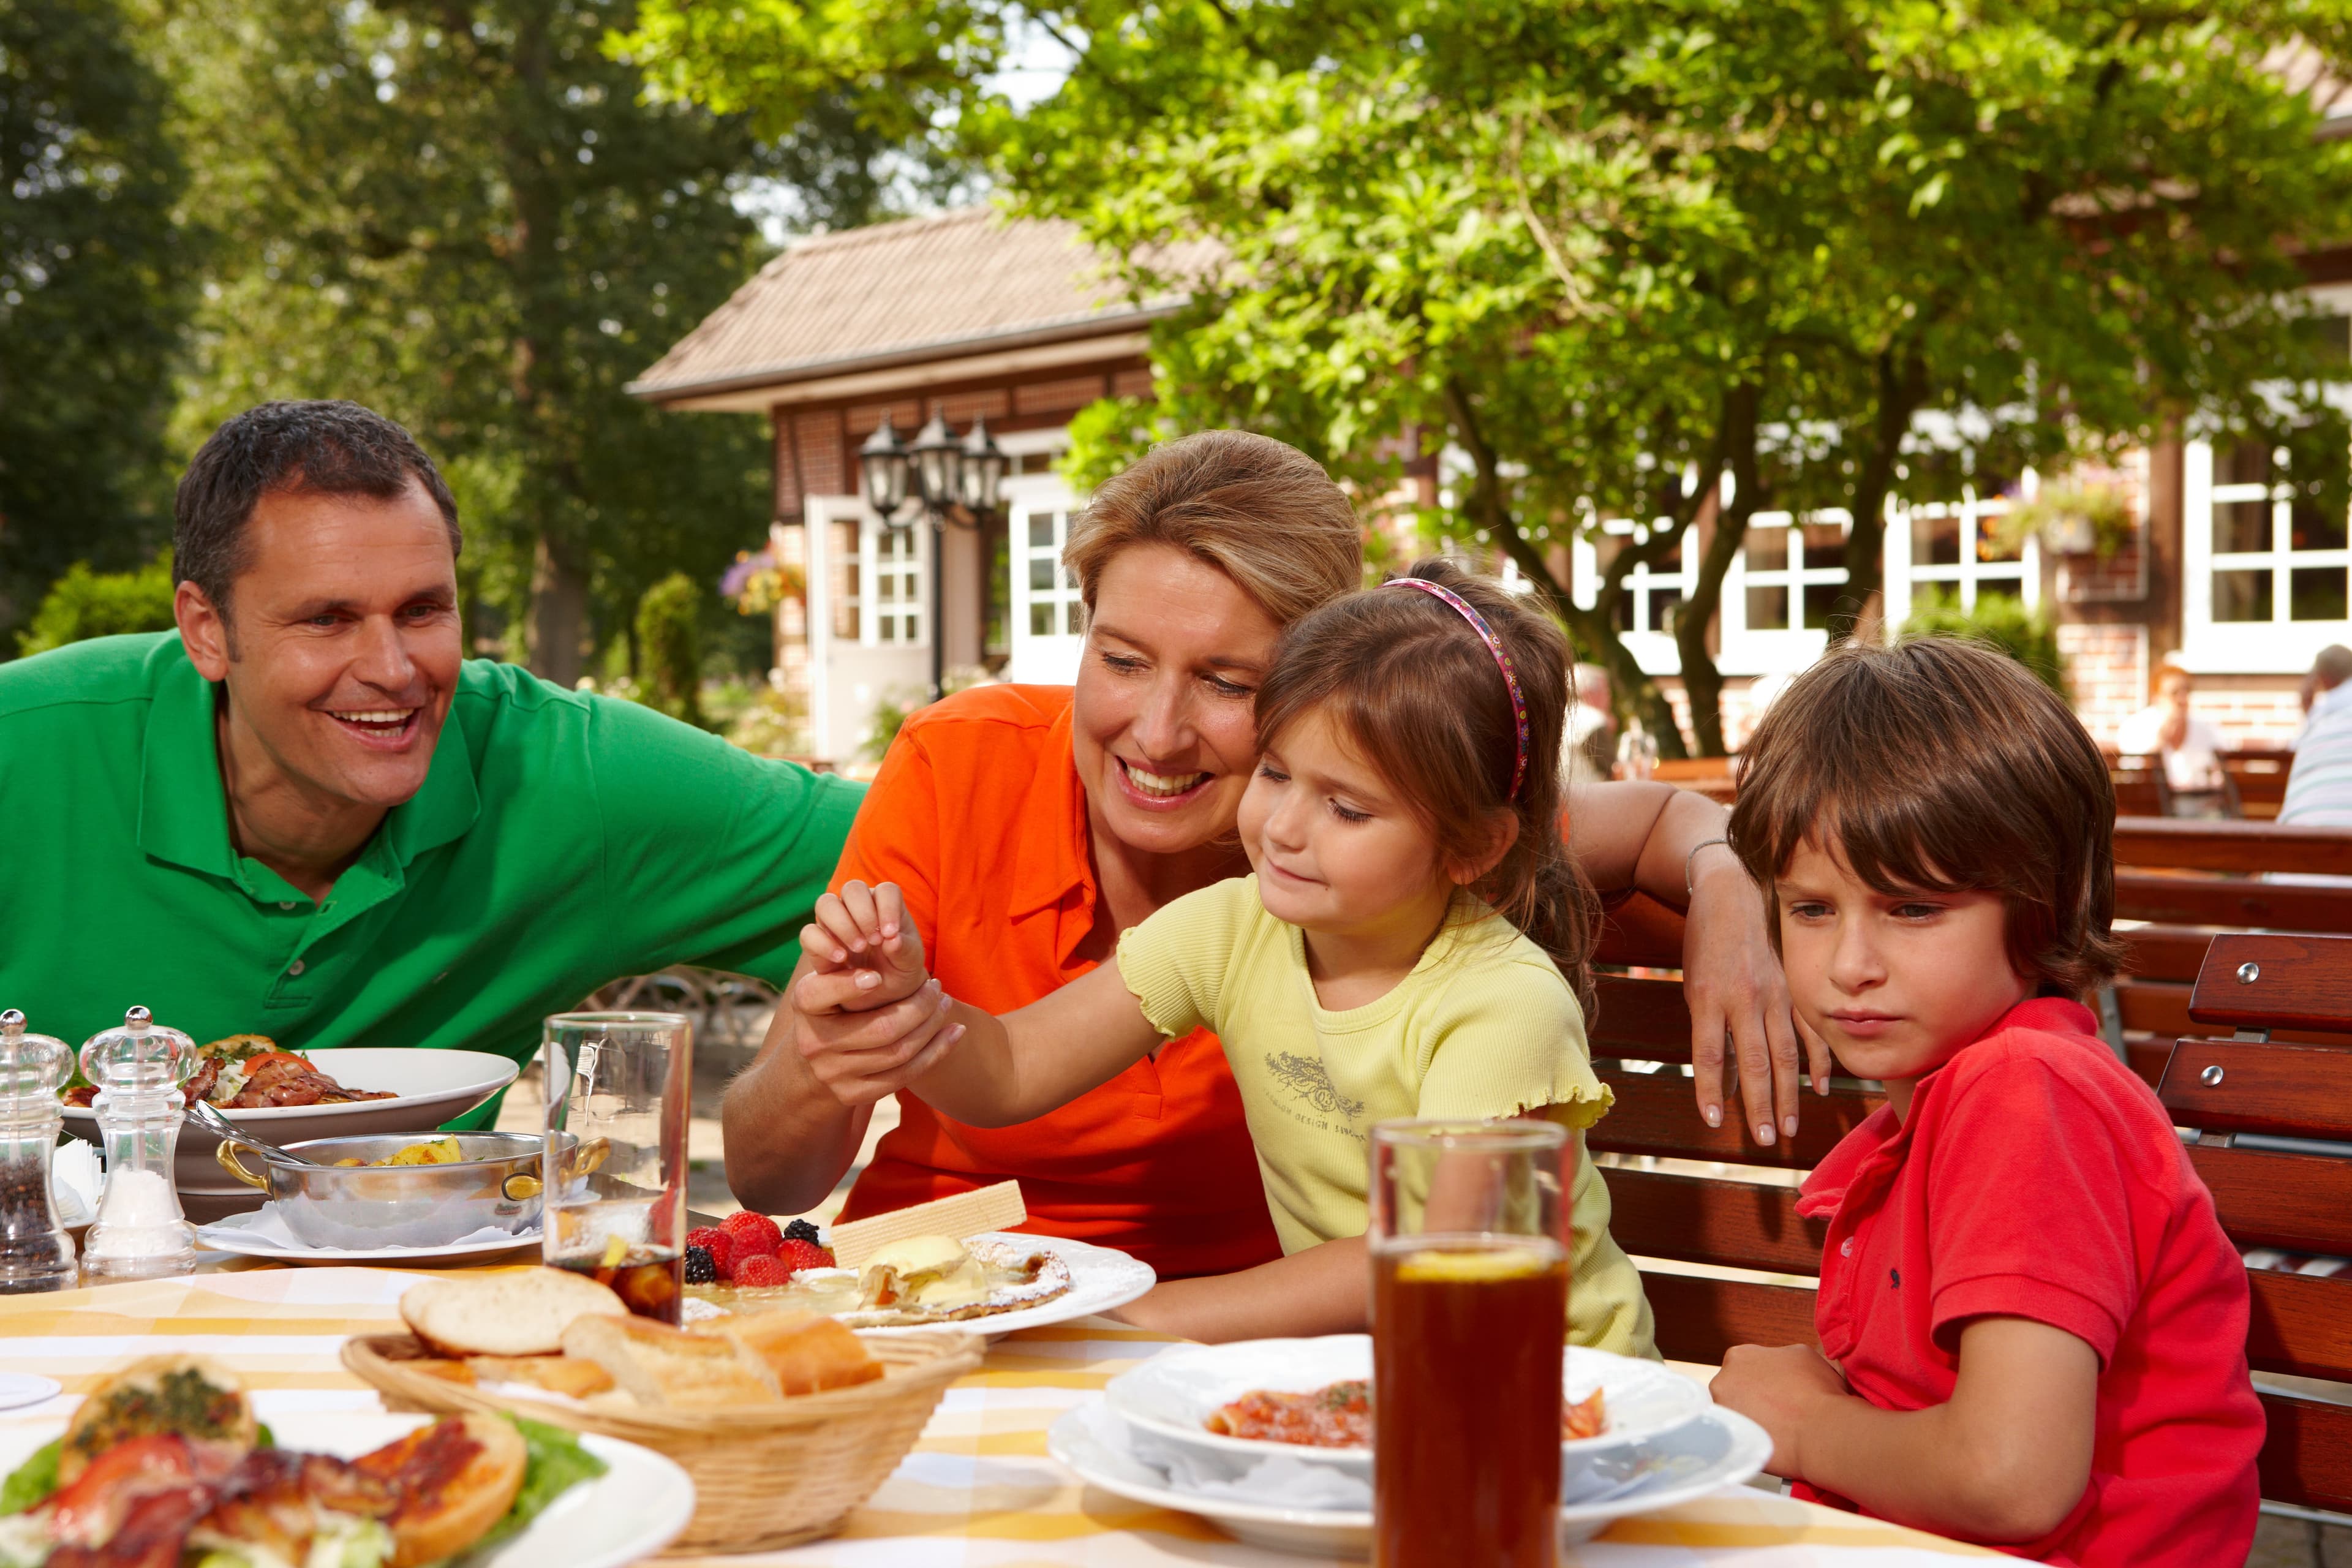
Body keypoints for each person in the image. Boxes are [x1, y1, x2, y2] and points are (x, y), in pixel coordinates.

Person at [722, 431, 1820, 1289]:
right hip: (959, 1283)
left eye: (1228, 685)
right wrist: (860, 1035)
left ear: (1317, 694)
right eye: (1119, 659)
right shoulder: (961, 762)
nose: (1155, 733)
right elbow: (784, 1174)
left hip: (1242, 1335)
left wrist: (1726, 884)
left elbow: (1639, 824)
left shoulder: (1369, 838)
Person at [801, 562, 1653, 1350]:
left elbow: (1433, 1257)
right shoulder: (1234, 928)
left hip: (1563, 1392)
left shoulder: (1502, 1007)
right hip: (1379, 1379)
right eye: (1277, 774)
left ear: (1473, 849)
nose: (1283, 829)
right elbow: (1013, 1070)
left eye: (1347, 810)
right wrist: (915, 1010)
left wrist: (1136, 1315)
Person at [0, 401, 861, 1099]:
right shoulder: (25, 751)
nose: (392, 669)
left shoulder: (571, 774)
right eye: (327, 619)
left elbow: (929, 848)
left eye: (421, 610)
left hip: (413, 1302)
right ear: (207, 631)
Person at [1708, 638, 2262, 1566]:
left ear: (2045, 900)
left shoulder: (2025, 1094)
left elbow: (2011, 1480)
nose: (1851, 964)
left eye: (1913, 909)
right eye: (1810, 910)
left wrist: (1806, 1427)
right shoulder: (1957, 1101)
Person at [2115, 660, 2230, 816]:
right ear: (2156, 697)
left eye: (2186, 691)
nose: (2182, 699)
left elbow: (2227, 766)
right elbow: (2132, 776)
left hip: (2200, 808)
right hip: (2149, 811)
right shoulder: (2136, 727)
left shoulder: (2205, 728)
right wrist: (2162, 737)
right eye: (2174, 693)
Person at [2280, 644, 2352, 827]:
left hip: (2307, 841)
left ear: (2324, 679)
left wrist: (2308, 713)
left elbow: (2291, 751)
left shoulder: (2322, 716)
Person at [1564, 662, 1616, 784]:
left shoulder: (1561, 716)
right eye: (1606, 691)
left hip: (1564, 795)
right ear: (1589, 692)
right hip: (1593, 796)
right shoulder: (1594, 721)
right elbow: (1613, 769)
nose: (1609, 697)